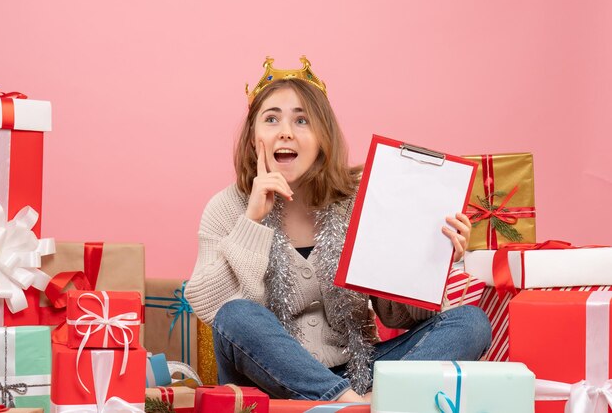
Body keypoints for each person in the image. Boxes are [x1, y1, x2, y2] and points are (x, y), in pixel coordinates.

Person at [185, 56, 491, 403]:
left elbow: (397, 315)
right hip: (268, 378)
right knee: (237, 313)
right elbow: (214, 309)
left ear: (321, 137)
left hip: (362, 371)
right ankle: (360, 406)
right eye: (271, 119)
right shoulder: (227, 207)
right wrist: (251, 221)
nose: (285, 131)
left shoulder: (356, 200)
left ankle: (374, 401)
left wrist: (429, 262)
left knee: (470, 322)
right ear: (253, 135)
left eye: (302, 120)